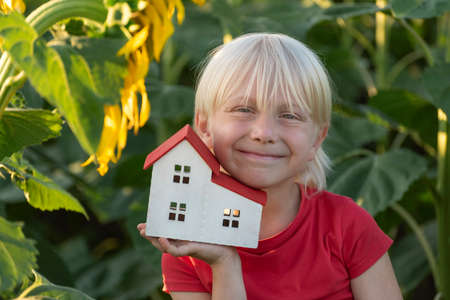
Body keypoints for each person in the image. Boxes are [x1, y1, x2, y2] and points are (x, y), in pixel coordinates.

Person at [137, 32, 403, 300]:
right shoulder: (188, 245)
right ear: (204, 126)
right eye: (243, 110)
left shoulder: (347, 226)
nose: (264, 133)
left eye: (289, 115)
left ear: (317, 139)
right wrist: (224, 263)